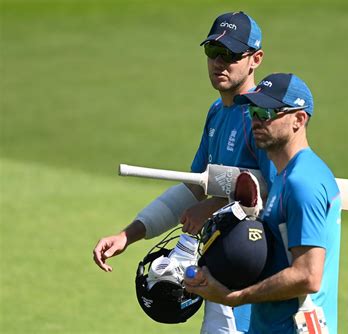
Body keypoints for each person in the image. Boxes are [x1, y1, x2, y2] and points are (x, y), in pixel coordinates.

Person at [92, 11, 276, 333]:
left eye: (230, 54)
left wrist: (212, 207)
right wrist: (128, 234)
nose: (219, 62)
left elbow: (271, 191)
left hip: (250, 277)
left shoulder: (261, 118)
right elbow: (195, 187)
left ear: (255, 59)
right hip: (218, 269)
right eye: (212, 53)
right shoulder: (218, 111)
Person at [185, 73, 342, 333]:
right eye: (253, 112)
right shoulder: (286, 177)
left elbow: (307, 276)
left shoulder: (303, 183)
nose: (257, 121)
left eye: (267, 114)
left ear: (298, 119)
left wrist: (236, 297)